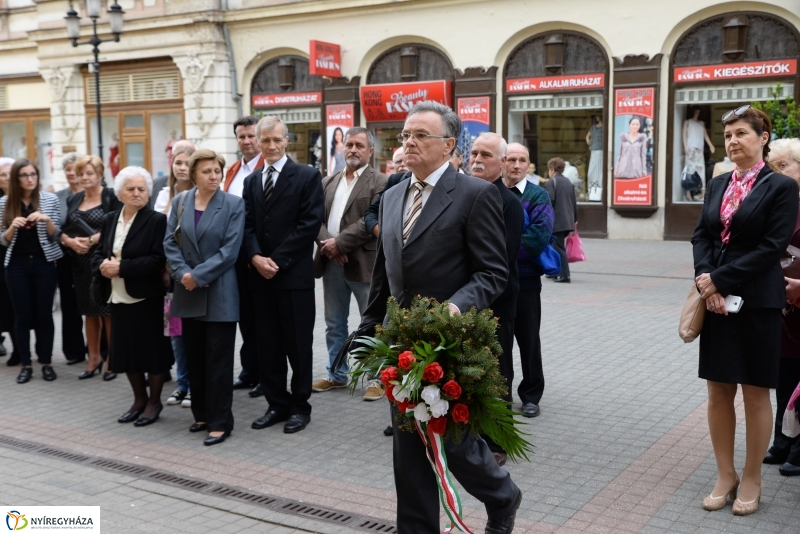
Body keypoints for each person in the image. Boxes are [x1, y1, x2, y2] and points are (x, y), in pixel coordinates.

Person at [358, 101, 521, 533]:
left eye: (420, 135)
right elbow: (384, 274)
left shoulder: (475, 194)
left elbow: (493, 273)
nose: (408, 142)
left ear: (449, 145)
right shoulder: (392, 195)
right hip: (402, 348)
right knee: (409, 452)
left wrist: (454, 306)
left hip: (453, 343)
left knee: (458, 445)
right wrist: (364, 334)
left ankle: (503, 497)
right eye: (405, 135)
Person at [692, 105, 798, 515]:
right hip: (716, 301)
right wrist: (706, 280)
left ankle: (752, 476)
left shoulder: (779, 187)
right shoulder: (718, 183)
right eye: (729, 135)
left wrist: (721, 280)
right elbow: (702, 235)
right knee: (718, 390)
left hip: (758, 301)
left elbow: (772, 247)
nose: (733, 141)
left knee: (756, 392)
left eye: (741, 133)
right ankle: (726, 474)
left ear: (763, 137)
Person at [243, 116, 324, 435]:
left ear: (287, 140)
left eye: (277, 140)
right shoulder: (252, 181)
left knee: (298, 345)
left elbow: (309, 223)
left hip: (293, 278)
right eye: (265, 141)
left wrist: (274, 260)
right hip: (260, 279)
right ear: (258, 143)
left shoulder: (306, 175)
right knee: (267, 344)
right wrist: (254, 257)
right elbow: (246, 224)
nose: (271, 146)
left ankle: (300, 407)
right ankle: (276, 403)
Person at [164, 149, 244, 446]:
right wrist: (183, 273)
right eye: (207, 171)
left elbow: (230, 251)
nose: (214, 176)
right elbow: (170, 242)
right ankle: (201, 414)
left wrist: (197, 276)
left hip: (219, 292)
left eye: (217, 171)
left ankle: (221, 422)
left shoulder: (234, 204)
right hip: (186, 291)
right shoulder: (180, 201)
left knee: (218, 360)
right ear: (194, 174)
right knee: (195, 357)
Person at [92, 166, 172, 426]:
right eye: (131, 189)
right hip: (117, 296)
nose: (137, 193)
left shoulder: (157, 221)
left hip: (146, 296)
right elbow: (99, 252)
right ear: (120, 193)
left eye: (142, 189)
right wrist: (102, 266)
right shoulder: (110, 219)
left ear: (148, 194)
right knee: (126, 352)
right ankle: (138, 399)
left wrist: (122, 268)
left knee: (153, 353)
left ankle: (154, 401)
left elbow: (158, 259)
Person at [312, 127, 387, 399]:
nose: (352, 149)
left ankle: (375, 378)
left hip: (364, 265)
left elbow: (372, 218)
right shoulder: (328, 181)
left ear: (370, 151)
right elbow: (315, 218)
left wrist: (340, 243)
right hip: (332, 263)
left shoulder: (381, 181)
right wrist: (329, 246)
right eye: (349, 144)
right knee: (334, 322)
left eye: (359, 145)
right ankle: (337, 374)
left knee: (371, 323)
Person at [468, 132, 523, 466]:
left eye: (486, 154)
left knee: (498, 369)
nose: (477, 159)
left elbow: (502, 259)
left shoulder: (509, 202)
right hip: (466, 300)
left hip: (497, 300)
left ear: (502, 163)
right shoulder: (464, 193)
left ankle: (498, 441)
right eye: (474, 152)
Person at [503, 143, 555, 418]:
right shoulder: (491, 192)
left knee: (528, 341)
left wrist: (496, 250)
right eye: (511, 159)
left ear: (528, 165)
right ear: (503, 162)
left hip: (526, 282)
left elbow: (538, 237)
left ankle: (531, 395)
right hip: (495, 282)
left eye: (522, 160)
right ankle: (502, 395)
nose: (516, 165)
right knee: (499, 342)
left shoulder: (537, 195)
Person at [0, 159, 62, 384]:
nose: (30, 179)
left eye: (33, 175)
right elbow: (2, 241)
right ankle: (26, 364)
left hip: (44, 264)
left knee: (45, 314)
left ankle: (46, 362)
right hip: (16, 265)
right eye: (24, 175)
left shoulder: (49, 199)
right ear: (17, 179)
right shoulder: (5, 203)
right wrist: (11, 228)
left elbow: (56, 236)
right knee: (22, 316)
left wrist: (45, 220)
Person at [63, 156, 121, 380]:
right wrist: (69, 241)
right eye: (81, 174)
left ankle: (112, 361)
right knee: (88, 311)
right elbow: (65, 227)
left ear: (99, 174)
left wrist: (93, 239)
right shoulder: (74, 198)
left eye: (89, 173)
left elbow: (118, 225)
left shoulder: (110, 196)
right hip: (79, 262)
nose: (84, 177)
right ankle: (94, 357)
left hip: (101, 260)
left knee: (107, 312)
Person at [764, 137, 800, 477]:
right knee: (784, 377)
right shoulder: (775, 205)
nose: (777, 173)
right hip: (783, 312)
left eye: (784, 166)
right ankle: (782, 440)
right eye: (773, 168)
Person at [223, 116, 265, 397]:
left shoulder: (267, 168)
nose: (247, 141)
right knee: (245, 319)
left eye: (251, 136)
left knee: (262, 320)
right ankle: (249, 371)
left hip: (258, 255)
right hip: (233, 256)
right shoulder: (233, 170)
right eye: (242, 137)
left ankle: (265, 374)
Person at [154, 143, 196, 409]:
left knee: (196, 333)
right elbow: (160, 235)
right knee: (176, 332)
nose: (182, 168)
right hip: (170, 275)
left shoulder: (204, 194)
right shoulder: (162, 195)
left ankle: (195, 386)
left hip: (194, 274)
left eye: (187, 163)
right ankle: (182, 385)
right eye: (178, 162)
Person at [55, 153, 86, 365]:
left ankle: (101, 350)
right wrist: (67, 241)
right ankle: (74, 351)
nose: (71, 173)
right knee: (69, 304)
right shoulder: (57, 197)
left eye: (76, 169)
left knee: (95, 304)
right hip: (65, 256)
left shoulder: (93, 194)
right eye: (67, 169)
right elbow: (53, 228)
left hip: (90, 254)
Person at [544, 157, 577, 283]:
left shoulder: (551, 182)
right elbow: (574, 202)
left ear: (552, 169)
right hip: (567, 221)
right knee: (554, 246)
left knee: (558, 248)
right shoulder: (568, 182)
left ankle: (564, 275)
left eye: (549, 169)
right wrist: (575, 219)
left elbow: (549, 201)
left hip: (557, 221)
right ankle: (554, 271)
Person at [0, 157, 18, 366]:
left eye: (9, 174)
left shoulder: (24, 199)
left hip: (15, 257)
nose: (6, 178)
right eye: (2, 174)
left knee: (15, 306)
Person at [149, 140, 196, 209]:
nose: (182, 168)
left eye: (188, 164)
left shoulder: (203, 193)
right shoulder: (163, 193)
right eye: (178, 163)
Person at [684, 107, 716, 201]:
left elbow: (705, 135)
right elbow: (684, 135)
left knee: (701, 171)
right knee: (690, 171)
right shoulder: (688, 122)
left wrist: (711, 145)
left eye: (698, 112)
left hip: (699, 150)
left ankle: (703, 193)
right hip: (690, 149)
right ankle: (689, 194)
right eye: (695, 112)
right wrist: (685, 146)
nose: (696, 114)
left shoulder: (701, 124)